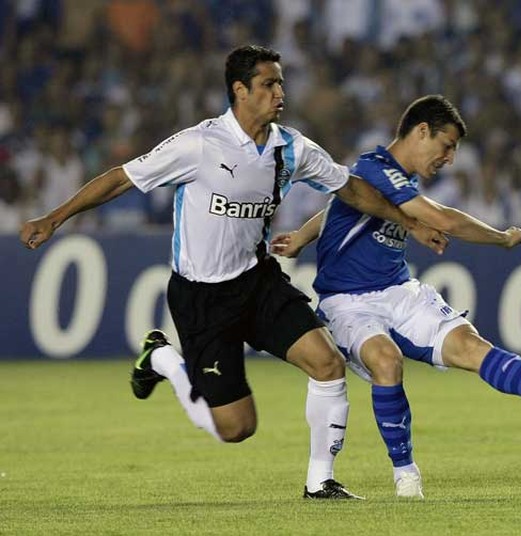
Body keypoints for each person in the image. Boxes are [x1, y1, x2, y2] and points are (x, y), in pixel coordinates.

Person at [19, 45, 448, 500]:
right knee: (236, 428)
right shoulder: (199, 144)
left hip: (256, 281)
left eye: (281, 82)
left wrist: (412, 223)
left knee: (326, 364)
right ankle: (161, 359)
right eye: (268, 84)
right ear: (239, 91)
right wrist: (54, 217)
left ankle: (319, 482)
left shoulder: (292, 147)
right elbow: (121, 178)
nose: (280, 92)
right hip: (202, 296)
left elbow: (353, 190)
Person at [270, 95, 521, 499]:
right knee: (386, 361)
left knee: (469, 345)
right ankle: (406, 476)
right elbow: (441, 218)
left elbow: (343, 203)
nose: (451, 158)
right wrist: (501, 238)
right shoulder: (375, 167)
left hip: (399, 290)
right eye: (447, 145)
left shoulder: (394, 180)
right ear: (421, 131)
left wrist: (301, 236)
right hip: (347, 301)